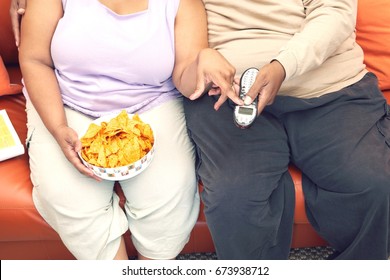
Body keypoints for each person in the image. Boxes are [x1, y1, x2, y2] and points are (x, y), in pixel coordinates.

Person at [11, 0, 390, 260]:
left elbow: (335, 15)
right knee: (234, 194)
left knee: (377, 182)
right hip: (226, 91)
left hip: (324, 83)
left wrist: (279, 66)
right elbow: (38, 52)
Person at [11, 0, 212, 260]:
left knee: (170, 197)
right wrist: (58, 126)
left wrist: (203, 66)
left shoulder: (184, 4)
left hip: (152, 101)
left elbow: (185, 74)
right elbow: (34, 59)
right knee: (67, 197)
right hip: (66, 101)